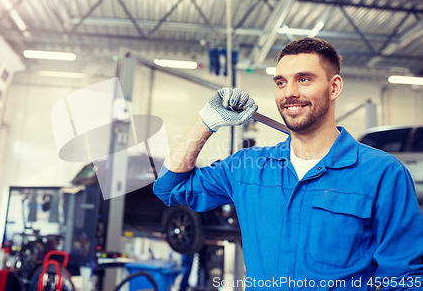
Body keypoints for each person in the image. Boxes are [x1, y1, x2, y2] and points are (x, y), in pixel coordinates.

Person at [153, 38, 423, 290]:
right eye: (281, 82)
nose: (289, 93)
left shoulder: (382, 174)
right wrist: (205, 122)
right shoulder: (249, 167)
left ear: (334, 87)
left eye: (304, 79)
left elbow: (404, 278)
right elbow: (169, 188)